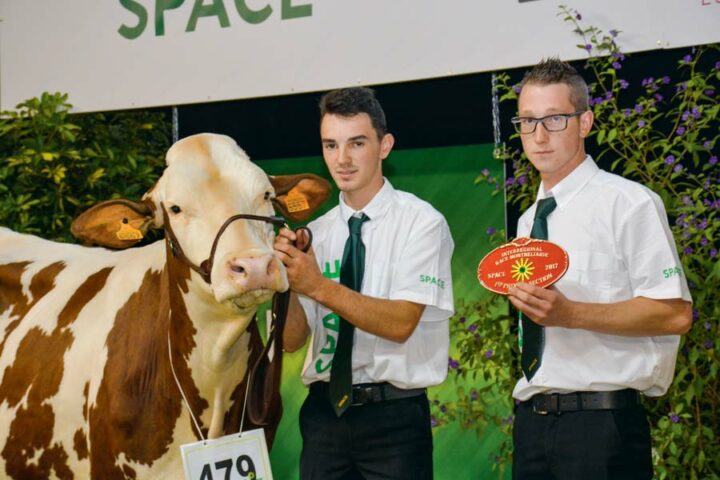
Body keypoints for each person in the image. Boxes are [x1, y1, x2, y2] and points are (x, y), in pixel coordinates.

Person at [506, 57, 692, 480]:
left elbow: (675, 314)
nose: (538, 136)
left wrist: (570, 314)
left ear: (585, 122)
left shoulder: (628, 202)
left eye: (554, 119)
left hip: (601, 427)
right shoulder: (527, 219)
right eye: (527, 121)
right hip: (532, 423)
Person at [273, 87, 454, 480]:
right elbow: (291, 341)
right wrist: (284, 279)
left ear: (384, 145)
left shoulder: (421, 223)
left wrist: (318, 285)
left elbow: (401, 323)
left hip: (394, 418)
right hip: (323, 417)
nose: (342, 159)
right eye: (331, 145)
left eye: (357, 143)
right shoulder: (312, 234)